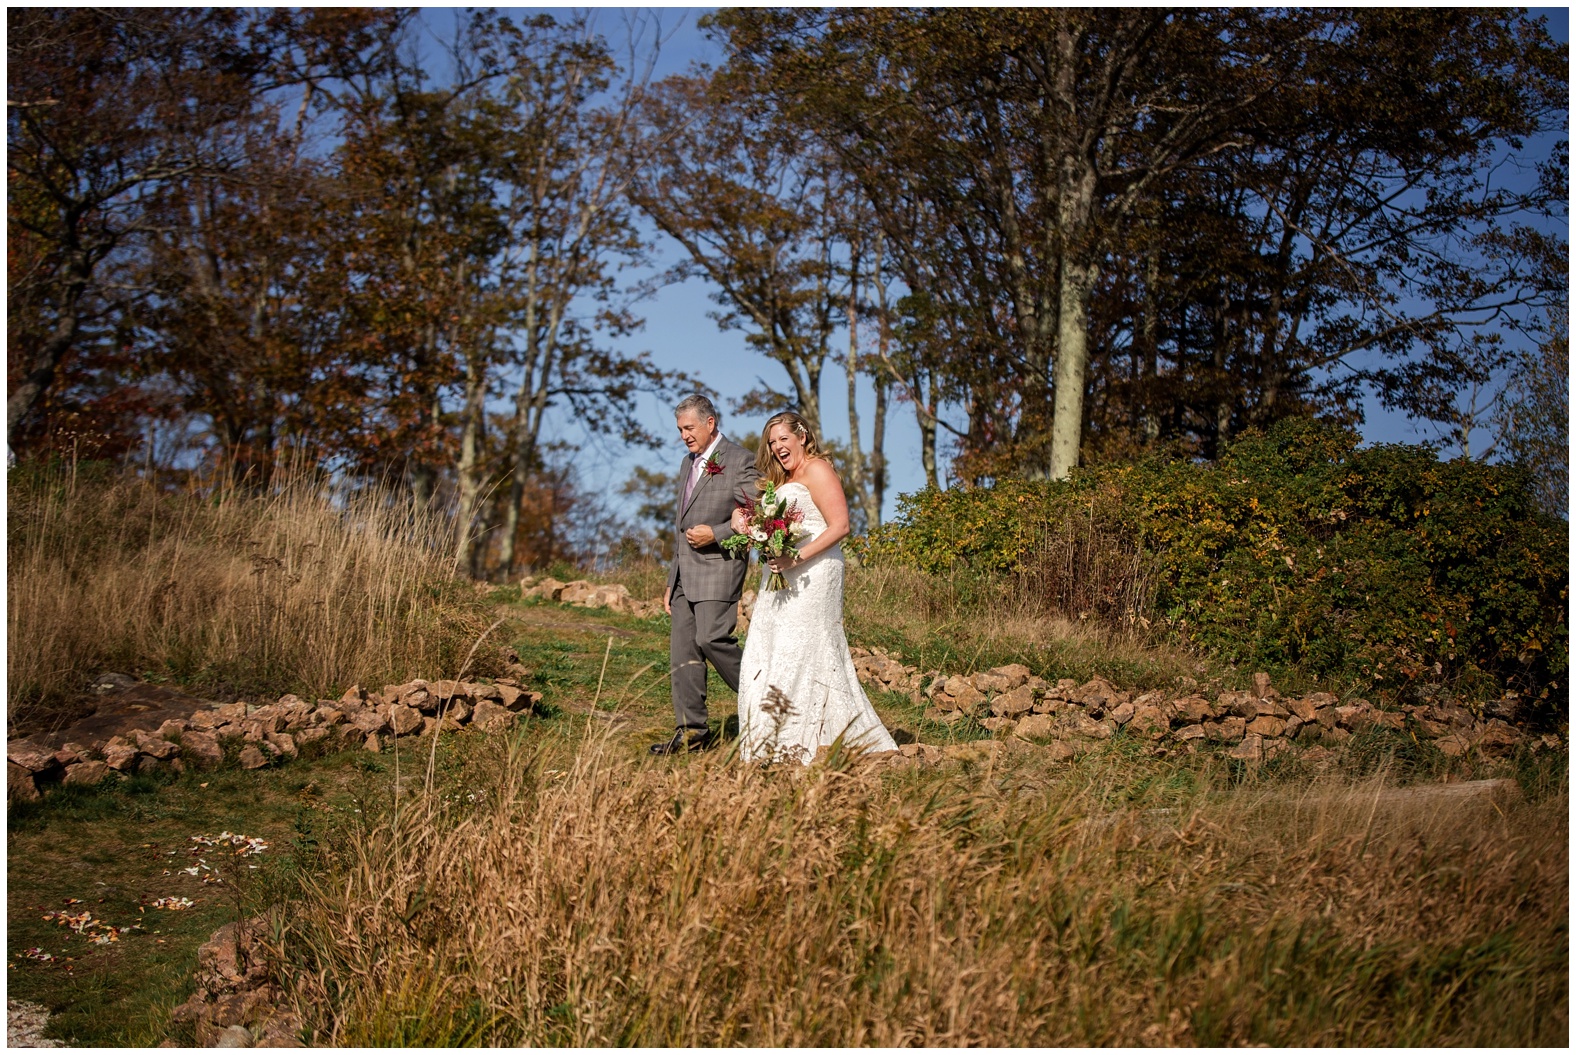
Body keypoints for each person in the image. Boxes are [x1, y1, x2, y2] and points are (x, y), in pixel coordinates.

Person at [731, 411, 898, 764]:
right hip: (779, 575)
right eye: (771, 442)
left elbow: (840, 526)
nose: (777, 448)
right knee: (768, 648)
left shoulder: (818, 470)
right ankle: (767, 743)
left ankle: (806, 742)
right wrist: (747, 524)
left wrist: (796, 558)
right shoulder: (778, 481)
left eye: (783, 439)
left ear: (802, 437)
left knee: (803, 648)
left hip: (814, 573)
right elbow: (770, 526)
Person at [654, 394, 761, 755]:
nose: (684, 435)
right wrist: (672, 580)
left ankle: (765, 697)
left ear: (710, 422)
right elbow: (680, 526)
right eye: (680, 429)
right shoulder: (687, 463)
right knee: (682, 654)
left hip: (719, 568)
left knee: (712, 639)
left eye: (689, 427)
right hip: (685, 574)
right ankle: (692, 734)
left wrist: (715, 533)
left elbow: (757, 515)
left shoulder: (741, 460)